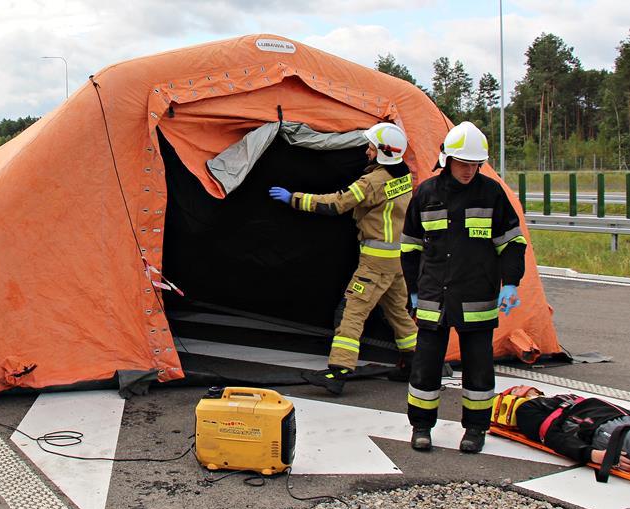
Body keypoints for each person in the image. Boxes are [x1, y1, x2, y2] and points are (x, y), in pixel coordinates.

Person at [401, 121, 527, 453]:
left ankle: (475, 429)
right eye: (464, 164)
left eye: (475, 165)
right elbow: (410, 247)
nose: (470, 171)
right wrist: (412, 290)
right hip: (432, 297)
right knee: (425, 365)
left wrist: (510, 283)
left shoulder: (491, 193)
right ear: (448, 160)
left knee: (479, 368)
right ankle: (421, 426)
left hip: (477, 297)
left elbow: (512, 244)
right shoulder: (426, 194)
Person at [269, 122, 418, 395]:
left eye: (371, 147)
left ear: (383, 151)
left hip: (375, 261)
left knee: (352, 312)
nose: (367, 151)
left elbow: (337, 203)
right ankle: (417, 363)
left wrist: (295, 198)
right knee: (398, 312)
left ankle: (337, 372)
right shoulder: (403, 176)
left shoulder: (373, 181)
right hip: (396, 260)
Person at [492, 386, 630, 473]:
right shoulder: (526, 410)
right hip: (605, 429)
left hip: (618, 420)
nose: (522, 386)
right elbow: (555, 438)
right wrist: (593, 455)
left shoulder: (560, 399)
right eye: (515, 389)